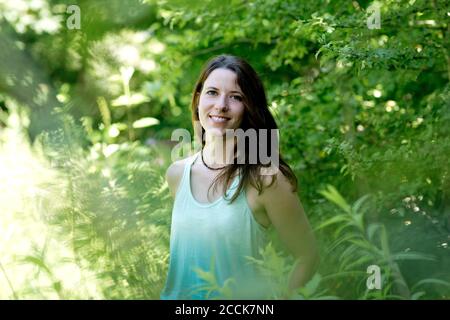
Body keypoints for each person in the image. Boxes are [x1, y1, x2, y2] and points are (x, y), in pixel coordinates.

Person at [160, 54, 319, 300]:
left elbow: (308, 256)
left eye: (235, 97)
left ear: (249, 107)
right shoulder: (177, 174)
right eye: (212, 92)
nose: (221, 105)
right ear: (198, 98)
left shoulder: (266, 180)